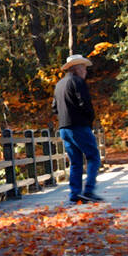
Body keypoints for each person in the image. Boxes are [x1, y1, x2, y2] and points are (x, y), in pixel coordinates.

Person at [52, 54, 103, 203]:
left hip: (64, 127)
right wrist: (89, 120)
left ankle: (75, 194)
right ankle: (89, 190)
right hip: (79, 126)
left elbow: (54, 108)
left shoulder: (59, 84)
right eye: (84, 68)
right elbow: (85, 104)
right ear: (78, 68)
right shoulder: (78, 82)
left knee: (75, 161)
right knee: (93, 157)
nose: (86, 71)